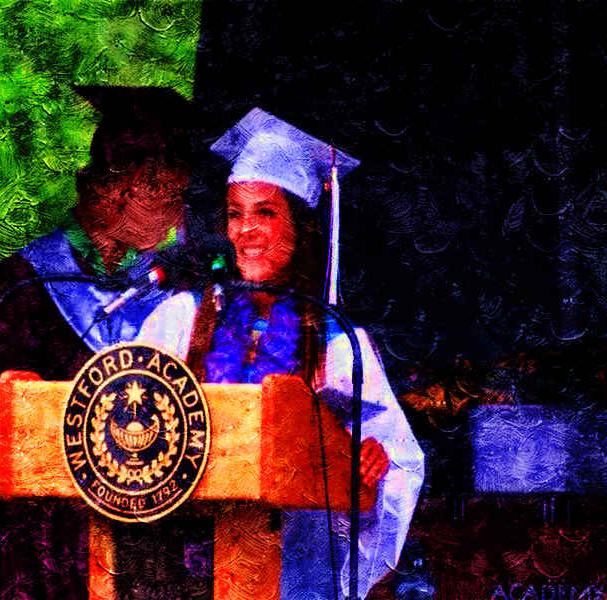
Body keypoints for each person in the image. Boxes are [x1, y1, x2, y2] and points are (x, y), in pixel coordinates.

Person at [138, 108, 425, 599]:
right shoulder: (183, 321)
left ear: (302, 227)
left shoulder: (337, 343)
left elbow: (398, 464)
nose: (245, 230)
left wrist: (369, 469)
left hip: (294, 570)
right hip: (185, 565)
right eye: (235, 213)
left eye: (265, 213)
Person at [0, 86, 196, 600]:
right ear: (111, 190)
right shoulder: (27, 282)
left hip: (149, 536)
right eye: (161, 193)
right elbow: (11, 432)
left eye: (175, 196)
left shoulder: (170, 288)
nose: (173, 215)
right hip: (53, 540)